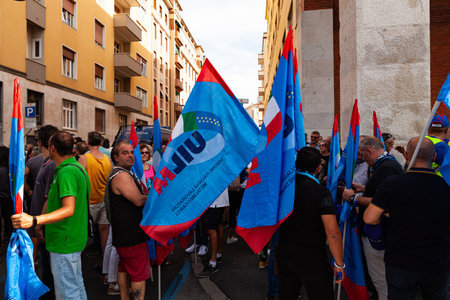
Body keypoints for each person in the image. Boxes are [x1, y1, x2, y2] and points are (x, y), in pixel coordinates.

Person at [364, 137, 450, 300]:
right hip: (437, 260)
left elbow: (369, 218)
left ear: (407, 156)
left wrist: (390, 214)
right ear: (433, 158)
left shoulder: (392, 183)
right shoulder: (445, 185)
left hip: (400, 261)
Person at [12, 131, 90, 300]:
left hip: (64, 241)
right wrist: (40, 225)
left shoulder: (67, 172)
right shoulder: (73, 168)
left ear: (52, 148)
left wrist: (34, 220)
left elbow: (68, 209)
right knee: (75, 287)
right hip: (70, 239)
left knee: (67, 293)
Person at [277, 147, 344, 299]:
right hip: (312, 256)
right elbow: (332, 233)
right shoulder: (320, 192)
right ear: (318, 167)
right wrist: (339, 264)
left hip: (286, 252)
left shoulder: (283, 189)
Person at [343, 136, 403, 300]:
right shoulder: (385, 165)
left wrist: (353, 198)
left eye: (362, 155)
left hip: (379, 233)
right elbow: (381, 192)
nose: (361, 159)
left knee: (380, 278)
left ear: (369, 151)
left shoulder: (386, 168)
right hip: (380, 231)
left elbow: (383, 200)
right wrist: (364, 188)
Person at [107, 141, 150, 300]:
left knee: (123, 268)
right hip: (131, 235)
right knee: (139, 274)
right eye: (125, 153)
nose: (130, 155)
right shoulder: (122, 175)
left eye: (132, 152)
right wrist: (155, 196)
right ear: (116, 157)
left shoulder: (122, 173)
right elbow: (138, 200)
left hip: (125, 235)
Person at [28, 124, 59, 300]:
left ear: (40, 142)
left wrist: (39, 225)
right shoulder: (46, 163)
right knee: (47, 266)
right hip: (43, 223)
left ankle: (49, 295)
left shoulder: (51, 166)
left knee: (50, 267)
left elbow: (49, 199)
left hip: (46, 225)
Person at [79, 131, 112, 257]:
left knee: (83, 234)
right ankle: (105, 267)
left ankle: (78, 266)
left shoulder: (84, 158)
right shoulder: (107, 160)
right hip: (104, 201)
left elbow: (79, 180)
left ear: (88, 143)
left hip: (89, 203)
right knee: (104, 234)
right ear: (101, 143)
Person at [197, 188, 229, 277]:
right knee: (218, 226)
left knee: (211, 230)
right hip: (220, 199)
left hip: (213, 200)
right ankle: (218, 254)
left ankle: (213, 261)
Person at [0, 145, 12, 248]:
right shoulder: (9, 170)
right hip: (8, 200)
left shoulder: (2, 170)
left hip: (4, 199)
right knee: (9, 223)